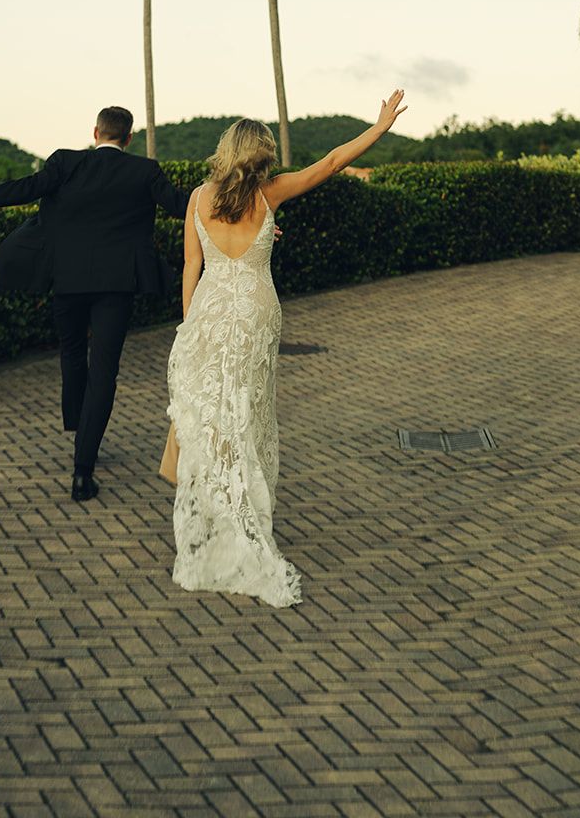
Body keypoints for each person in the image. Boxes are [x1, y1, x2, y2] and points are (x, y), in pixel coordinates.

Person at [167, 90, 406, 607]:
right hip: (254, 313)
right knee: (248, 415)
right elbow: (333, 161)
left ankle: (217, 515)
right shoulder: (268, 195)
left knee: (213, 415)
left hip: (209, 311)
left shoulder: (198, 198)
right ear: (262, 156)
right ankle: (242, 520)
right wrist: (378, 127)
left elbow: (191, 266)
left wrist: (189, 326)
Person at [0, 106, 188, 502]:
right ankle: (84, 467)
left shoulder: (65, 162)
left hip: (68, 280)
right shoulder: (145, 171)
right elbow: (186, 207)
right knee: (104, 371)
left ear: (96, 132)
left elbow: (24, 189)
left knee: (71, 353)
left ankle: (79, 429)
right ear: (129, 138)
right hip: (117, 286)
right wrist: (249, 222)